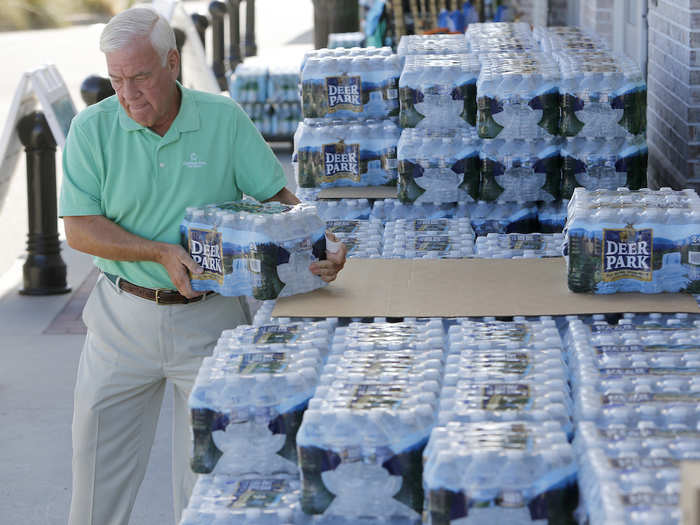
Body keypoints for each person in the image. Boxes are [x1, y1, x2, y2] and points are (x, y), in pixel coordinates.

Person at [59, 7, 346, 525]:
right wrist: (159, 252)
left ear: (172, 63)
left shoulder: (223, 118)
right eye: (116, 79)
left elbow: (280, 200)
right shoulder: (91, 129)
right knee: (96, 475)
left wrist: (321, 241)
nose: (127, 94)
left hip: (212, 322)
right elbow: (79, 228)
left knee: (211, 480)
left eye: (140, 76)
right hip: (121, 322)